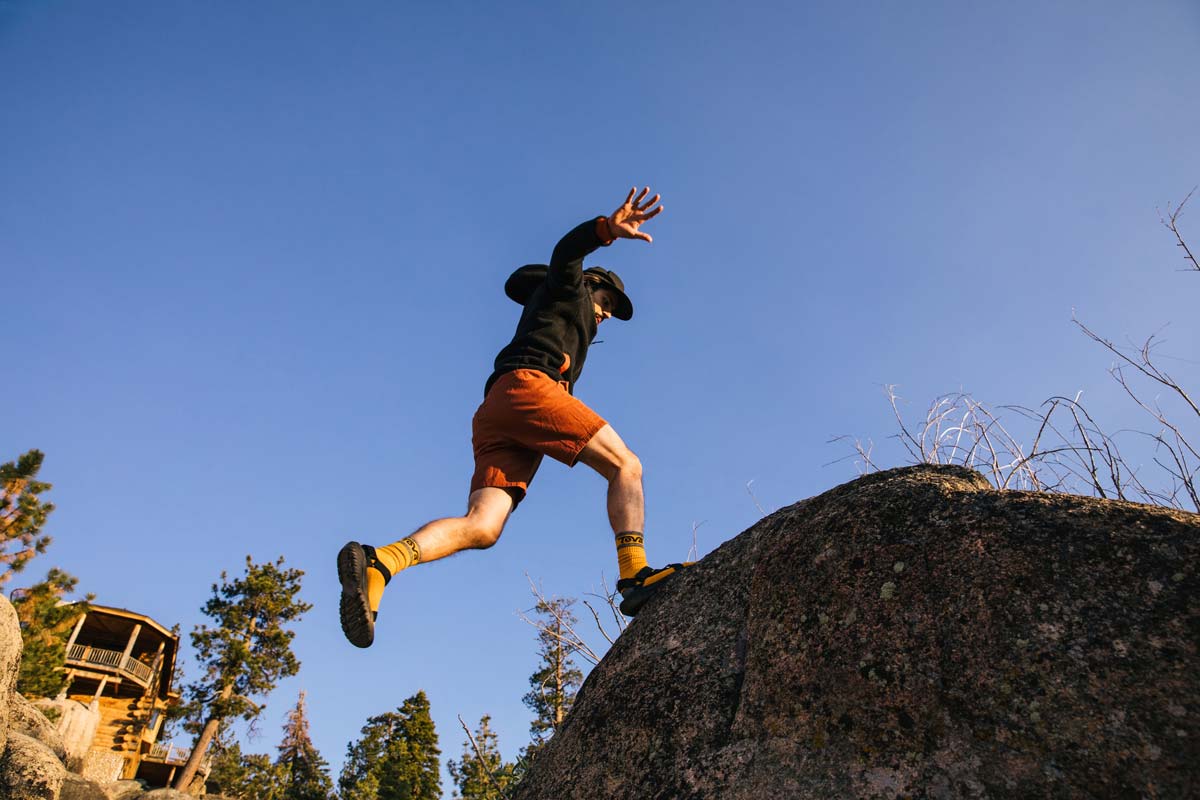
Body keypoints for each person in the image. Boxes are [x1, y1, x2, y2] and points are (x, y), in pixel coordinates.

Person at [337, 186, 689, 648]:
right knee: (626, 465)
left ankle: (381, 562)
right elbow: (565, 253)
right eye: (607, 301)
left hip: (498, 410)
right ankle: (635, 575)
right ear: (591, 284)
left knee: (483, 527)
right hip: (528, 388)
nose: (605, 314)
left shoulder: (562, 317)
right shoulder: (567, 288)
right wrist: (605, 229)